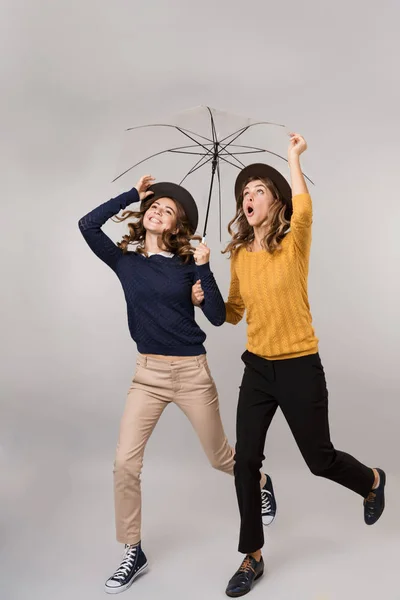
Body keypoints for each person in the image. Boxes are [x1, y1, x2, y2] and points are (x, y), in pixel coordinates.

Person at [78, 176, 276, 594]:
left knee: (222, 458)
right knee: (124, 464)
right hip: (147, 375)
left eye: (167, 210)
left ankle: (260, 483)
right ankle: (133, 549)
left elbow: (220, 318)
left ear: (175, 226)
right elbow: (87, 225)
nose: (157, 211)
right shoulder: (125, 262)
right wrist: (132, 194)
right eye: (154, 206)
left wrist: (204, 270)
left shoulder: (188, 266)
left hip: (190, 374)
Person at [221, 134, 386, 598]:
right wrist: (199, 288)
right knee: (245, 461)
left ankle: (372, 480)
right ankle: (251, 556)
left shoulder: (293, 242)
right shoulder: (237, 255)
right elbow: (232, 312)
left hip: (298, 365)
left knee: (319, 460)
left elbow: (306, 209)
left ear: (276, 202)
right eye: (245, 192)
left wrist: (292, 159)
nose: (249, 197)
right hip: (257, 369)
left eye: (259, 190)